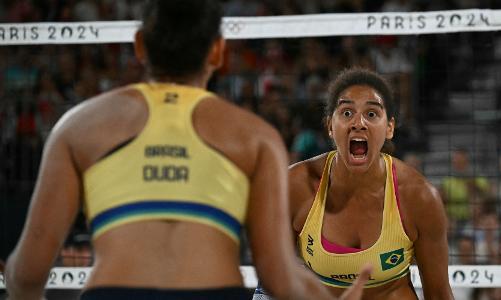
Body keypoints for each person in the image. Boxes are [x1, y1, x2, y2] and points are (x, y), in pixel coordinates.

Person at [4, 1, 370, 299]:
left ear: (140, 46)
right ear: (217, 51)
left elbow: (27, 273)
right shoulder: (254, 136)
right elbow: (278, 277)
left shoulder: (80, 126)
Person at [287, 68, 452, 299]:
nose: (358, 122)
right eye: (346, 113)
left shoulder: (419, 197)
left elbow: (439, 294)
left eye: (372, 114)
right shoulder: (295, 185)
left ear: (389, 128)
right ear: (330, 127)